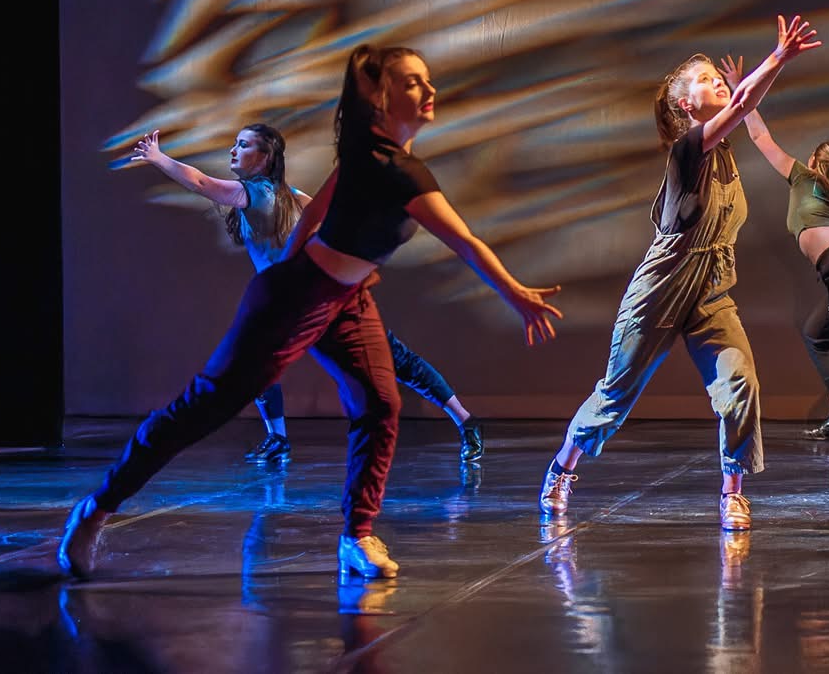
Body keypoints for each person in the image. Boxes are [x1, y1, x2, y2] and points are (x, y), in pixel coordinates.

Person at [60, 46, 563, 581]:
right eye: (414, 82)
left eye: (427, 79)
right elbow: (462, 240)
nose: (429, 90)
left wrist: (338, 265)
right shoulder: (395, 171)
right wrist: (514, 293)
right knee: (203, 407)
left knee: (379, 403)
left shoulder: (368, 160)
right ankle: (95, 511)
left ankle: (357, 537)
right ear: (381, 97)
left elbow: (314, 210)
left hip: (347, 301)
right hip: (295, 299)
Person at [539, 16, 821, 532]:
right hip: (662, 290)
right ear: (687, 106)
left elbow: (746, 111)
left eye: (720, 77)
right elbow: (740, 107)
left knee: (740, 384)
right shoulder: (688, 149)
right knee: (614, 398)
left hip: (712, 290)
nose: (720, 83)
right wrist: (778, 57)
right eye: (708, 81)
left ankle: (732, 493)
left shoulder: (727, 149)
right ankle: (562, 470)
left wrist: (747, 85)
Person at [129, 124, 489, 465]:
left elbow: (200, 182)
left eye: (243, 144)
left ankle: (466, 421)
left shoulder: (256, 193)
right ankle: (278, 440)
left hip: (311, 301)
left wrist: (159, 158)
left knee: (392, 361)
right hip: (294, 302)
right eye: (235, 143)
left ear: (266, 156)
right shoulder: (291, 196)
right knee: (254, 361)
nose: (233, 149)